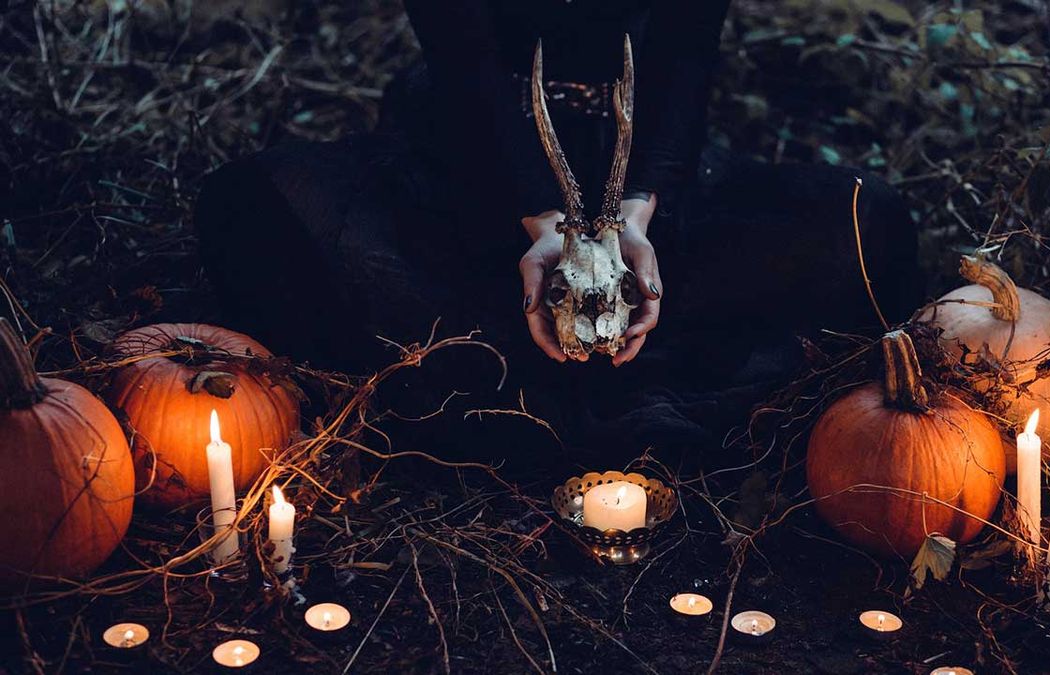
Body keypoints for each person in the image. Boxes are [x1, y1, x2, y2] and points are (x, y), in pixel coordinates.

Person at [195, 1, 920, 458]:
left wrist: (638, 213)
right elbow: (462, 58)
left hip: (653, 173)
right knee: (252, 208)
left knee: (868, 225)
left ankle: (517, 367)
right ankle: (571, 370)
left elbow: (686, 51)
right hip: (475, 165)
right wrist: (543, 223)